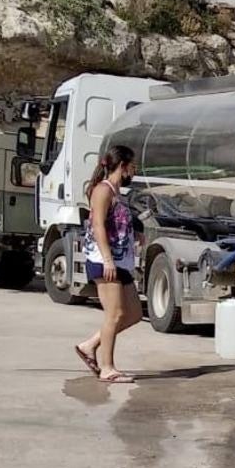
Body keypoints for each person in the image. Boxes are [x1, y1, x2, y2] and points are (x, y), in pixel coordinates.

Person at [73, 146, 142, 384]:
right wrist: (108, 260)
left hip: (121, 262)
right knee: (115, 314)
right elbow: (98, 227)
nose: (135, 170)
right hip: (105, 262)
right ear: (122, 166)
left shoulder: (117, 192)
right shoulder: (102, 190)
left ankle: (89, 345)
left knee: (133, 314)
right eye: (133, 165)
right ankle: (107, 368)